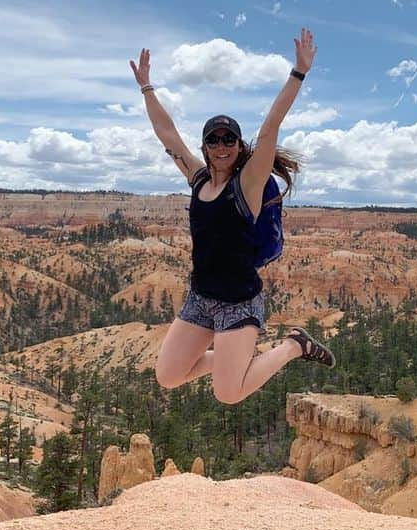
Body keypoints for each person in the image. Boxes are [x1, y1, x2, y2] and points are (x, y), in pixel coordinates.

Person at [130, 27, 336, 405]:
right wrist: (147, 88)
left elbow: (270, 125)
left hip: (239, 302)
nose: (221, 146)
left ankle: (293, 346)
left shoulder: (247, 186)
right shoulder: (197, 179)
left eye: (229, 140)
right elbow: (167, 133)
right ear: (205, 148)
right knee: (169, 375)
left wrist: (299, 73)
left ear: (239, 147)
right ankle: (230, 358)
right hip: (201, 297)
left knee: (228, 393)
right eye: (214, 139)